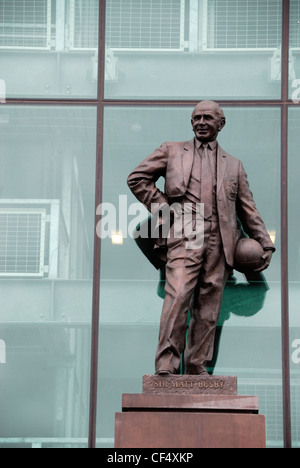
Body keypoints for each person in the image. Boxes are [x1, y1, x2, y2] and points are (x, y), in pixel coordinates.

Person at [127, 100, 275, 376]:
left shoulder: (234, 165)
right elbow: (137, 178)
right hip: (186, 232)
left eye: (208, 118)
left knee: (209, 305)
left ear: (221, 123)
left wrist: (264, 242)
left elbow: (248, 209)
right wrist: (165, 208)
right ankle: (166, 363)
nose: (201, 122)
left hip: (220, 238)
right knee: (179, 294)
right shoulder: (171, 150)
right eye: (196, 118)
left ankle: (197, 366)